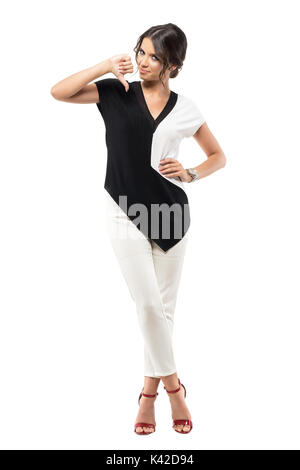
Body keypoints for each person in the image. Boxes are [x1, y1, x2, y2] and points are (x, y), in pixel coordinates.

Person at [51, 23, 226, 435]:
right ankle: (173, 389)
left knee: (163, 313)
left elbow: (217, 155)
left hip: (170, 215)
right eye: (140, 52)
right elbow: (59, 91)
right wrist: (103, 66)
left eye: (154, 57)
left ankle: (147, 391)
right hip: (123, 209)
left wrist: (191, 173)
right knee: (148, 306)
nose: (144, 62)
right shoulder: (117, 92)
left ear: (174, 65)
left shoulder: (186, 108)